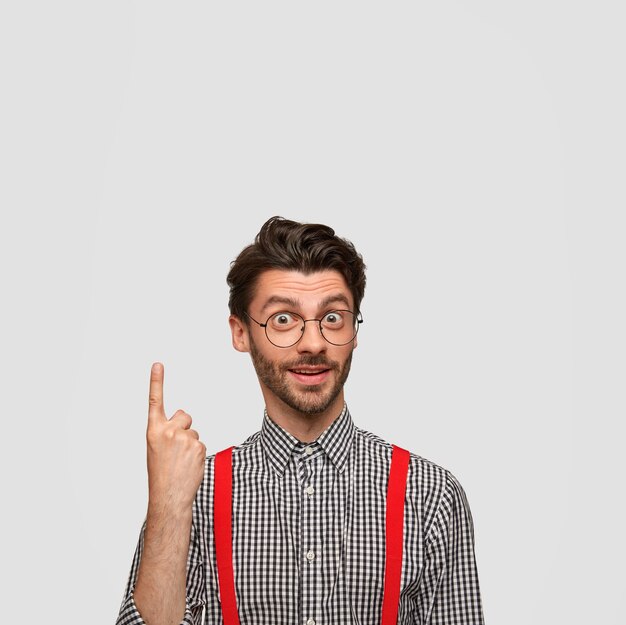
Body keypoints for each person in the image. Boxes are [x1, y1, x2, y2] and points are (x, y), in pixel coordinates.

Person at [115, 216, 485, 625]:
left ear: (355, 330)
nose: (313, 343)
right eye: (283, 320)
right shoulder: (193, 492)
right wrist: (167, 505)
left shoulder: (430, 495)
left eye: (332, 318)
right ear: (241, 333)